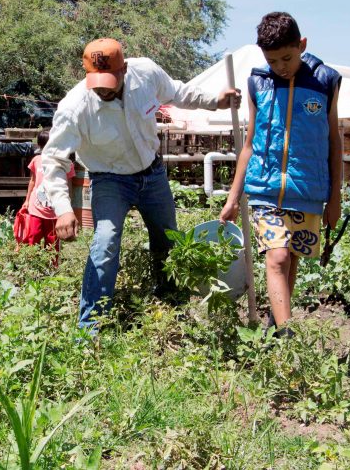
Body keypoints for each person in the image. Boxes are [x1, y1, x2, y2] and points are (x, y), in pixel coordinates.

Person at [41, 38, 241, 332]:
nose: (103, 89)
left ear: (124, 69)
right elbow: (54, 160)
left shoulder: (146, 72)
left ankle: (170, 301)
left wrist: (215, 101)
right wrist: (62, 208)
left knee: (167, 239)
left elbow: (178, 92)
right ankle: (91, 326)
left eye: (109, 80)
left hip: (152, 173)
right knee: (106, 241)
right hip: (109, 179)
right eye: (96, 82)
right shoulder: (74, 107)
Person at [219, 12, 342, 334]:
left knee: (291, 260)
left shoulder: (326, 81)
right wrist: (234, 197)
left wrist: (335, 199)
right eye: (273, 61)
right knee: (277, 258)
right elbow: (248, 144)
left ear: (302, 45)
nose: (281, 67)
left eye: (287, 58)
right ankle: (288, 341)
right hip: (264, 187)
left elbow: (333, 141)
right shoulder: (257, 82)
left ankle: (276, 326)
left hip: (308, 189)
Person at [20, 130, 75, 265]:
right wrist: (27, 201)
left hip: (53, 211)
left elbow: (69, 185)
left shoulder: (66, 164)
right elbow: (32, 181)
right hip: (35, 208)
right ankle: (31, 266)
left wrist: (68, 207)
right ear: (40, 146)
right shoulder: (36, 160)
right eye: (43, 146)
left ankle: (52, 268)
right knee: (33, 237)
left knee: (52, 241)